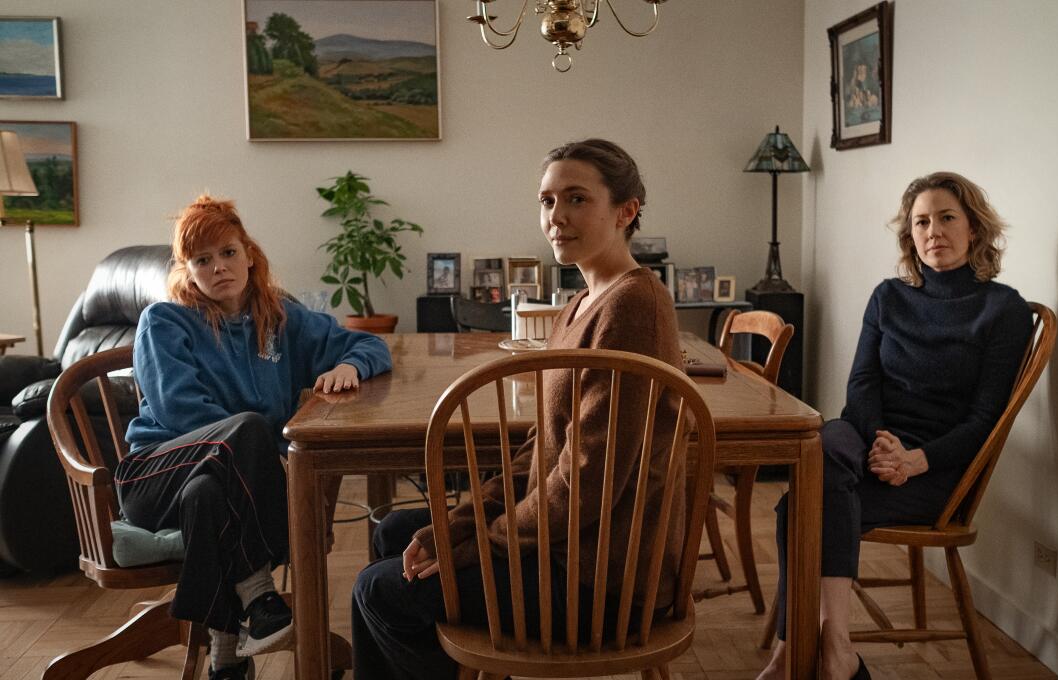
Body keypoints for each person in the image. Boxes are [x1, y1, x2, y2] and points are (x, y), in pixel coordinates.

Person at [352, 139, 684, 679]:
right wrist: (463, 520)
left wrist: (482, 541)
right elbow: (541, 449)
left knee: (380, 589)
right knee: (396, 532)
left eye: (576, 199)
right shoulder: (580, 302)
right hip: (571, 541)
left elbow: (586, 480)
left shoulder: (633, 306)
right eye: (547, 201)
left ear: (627, 211)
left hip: (598, 575)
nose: (556, 217)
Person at [758, 173, 1032, 680]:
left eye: (947, 217)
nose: (934, 231)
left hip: (938, 469)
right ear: (910, 234)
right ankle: (835, 654)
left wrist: (914, 460)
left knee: (802, 500)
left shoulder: (1004, 310)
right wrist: (883, 444)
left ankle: (794, 653)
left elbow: (986, 420)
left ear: (975, 228)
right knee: (820, 448)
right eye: (921, 221)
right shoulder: (888, 296)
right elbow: (861, 385)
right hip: (866, 437)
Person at [114, 195, 393, 680]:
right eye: (203, 260)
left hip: (221, 488)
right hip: (156, 475)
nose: (219, 267)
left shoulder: (279, 317)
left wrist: (349, 365)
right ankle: (261, 593)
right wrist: (264, 452)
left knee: (209, 494)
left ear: (248, 252)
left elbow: (368, 342)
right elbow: (183, 415)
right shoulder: (163, 322)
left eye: (227, 252)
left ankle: (226, 655)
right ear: (188, 271)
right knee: (245, 431)